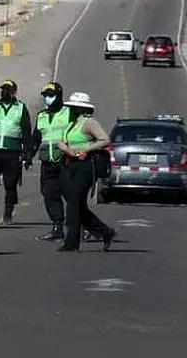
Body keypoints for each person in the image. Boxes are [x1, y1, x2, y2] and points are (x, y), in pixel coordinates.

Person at [56, 91, 116, 252]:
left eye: (74, 107)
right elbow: (63, 140)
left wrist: (86, 149)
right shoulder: (71, 124)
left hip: (85, 165)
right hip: (70, 164)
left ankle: (72, 241)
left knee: (74, 203)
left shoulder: (89, 123)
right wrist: (64, 147)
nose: (71, 110)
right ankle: (104, 231)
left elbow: (105, 139)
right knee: (73, 202)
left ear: (81, 109)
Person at [0, 79, 33, 224]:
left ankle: (8, 213)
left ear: (14, 92)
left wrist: (27, 153)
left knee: (10, 184)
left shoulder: (21, 108)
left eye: (8, 90)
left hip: (12, 151)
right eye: (3, 89)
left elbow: (26, 131)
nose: (4, 92)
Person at [29, 82, 70, 241]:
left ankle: (82, 227)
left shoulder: (69, 113)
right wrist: (29, 155)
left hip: (66, 162)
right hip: (48, 162)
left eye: (51, 95)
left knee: (71, 196)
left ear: (59, 95)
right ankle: (57, 228)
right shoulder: (41, 116)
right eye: (45, 95)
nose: (47, 98)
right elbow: (36, 137)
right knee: (49, 195)